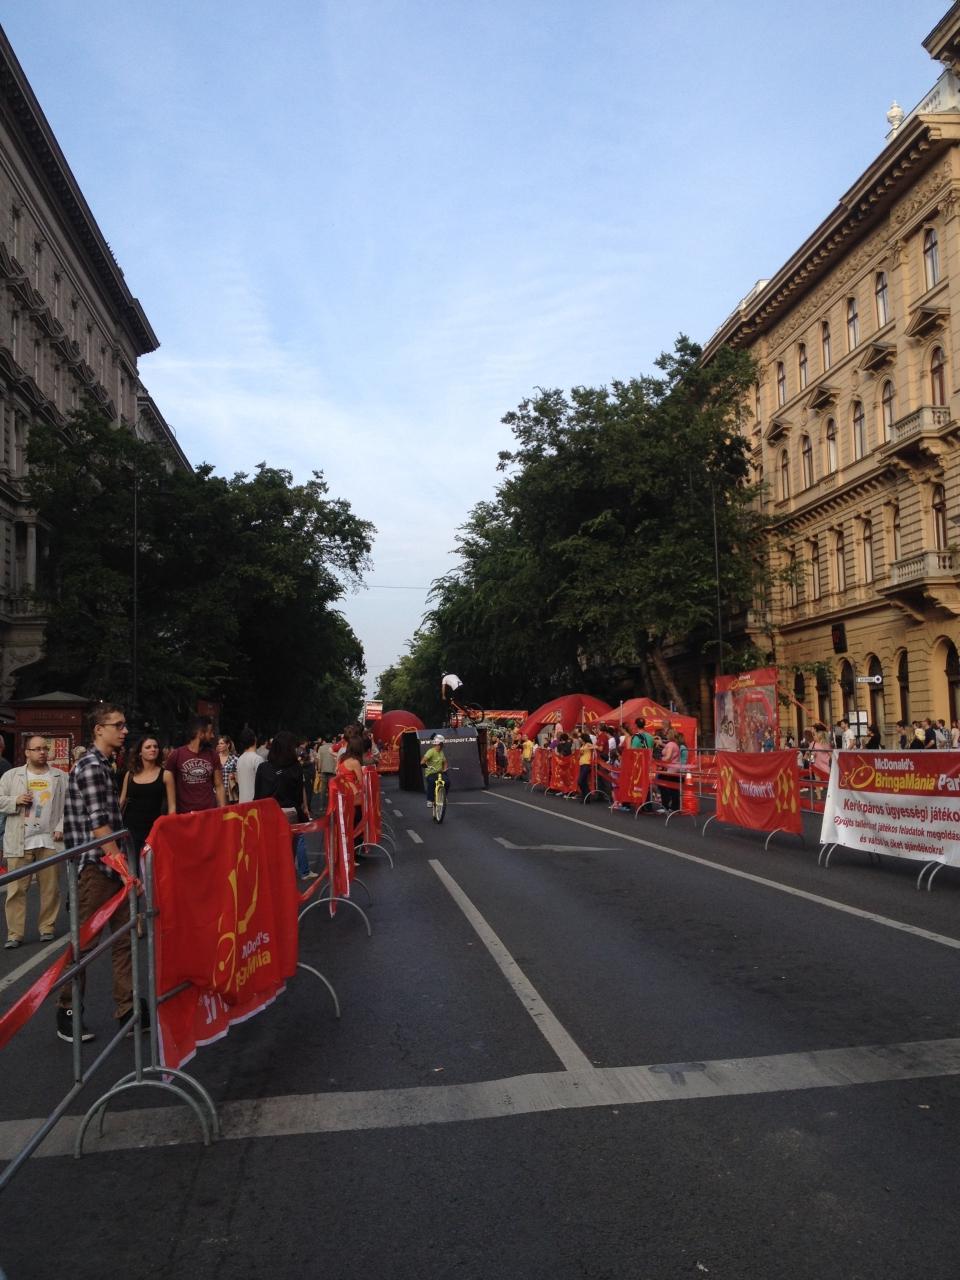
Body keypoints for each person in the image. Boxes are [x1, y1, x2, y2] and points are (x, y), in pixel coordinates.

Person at [55, 703, 135, 1043]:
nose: (125, 730)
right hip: (96, 867)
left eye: (124, 724)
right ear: (99, 729)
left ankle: (128, 1009)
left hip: (109, 866)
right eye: (118, 725)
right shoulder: (90, 767)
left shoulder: (104, 765)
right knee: (84, 946)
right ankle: (67, 1011)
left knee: (124, 940)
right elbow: (100, 826)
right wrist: (125, 870)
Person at [0, 733, 66, 948]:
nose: (42, 752)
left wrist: (61, 827)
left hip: (49, 841)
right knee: (16, 891)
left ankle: (47, 927)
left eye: (45, 748)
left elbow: (69, 805)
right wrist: (15, 800)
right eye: (37, 749)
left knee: (50, 889)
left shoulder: (60, 776)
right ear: (27, 752)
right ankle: (14, 934)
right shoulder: (12, 776)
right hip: (20, 840)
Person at [254, 730, 314, 879]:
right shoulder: (296, 768)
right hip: (289, 815)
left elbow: (258, 795)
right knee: (288, 857)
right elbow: (298, 796)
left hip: (267, 815)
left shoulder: (263, 768)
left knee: (270, 856)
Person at [119, 736, 166, 878]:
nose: (153, 749)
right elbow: (122, 801)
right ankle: (134, 892)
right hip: (131, 828)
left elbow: (172, 807)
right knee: (132, 871)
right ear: (140, 752)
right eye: (148, 747)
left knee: (153, 870)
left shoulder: (166, 775)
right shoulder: (130, 775)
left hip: (154, 829)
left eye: (155, 747)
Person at [164, 715, 224, 814]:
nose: (212, 736)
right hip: (185, 814)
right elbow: (169, 785)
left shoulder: (213, 755)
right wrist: (172, 812)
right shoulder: (176, 755)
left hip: (209, 813)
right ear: (200, 733)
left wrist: (223, 810)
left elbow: (219, 785)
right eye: (210, 732)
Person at [235, 727, 262, 803]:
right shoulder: (257, 759)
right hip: (254, 803)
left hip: (242, 802)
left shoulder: (239, 759)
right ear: (255, 739)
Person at [421, 734, 449, 807]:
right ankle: (429, 800)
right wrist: (425, 765)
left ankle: (443, 797)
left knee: (447, 782)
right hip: (431, 773)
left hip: (439, 773)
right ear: (438, 744)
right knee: (432, 782)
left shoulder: (441, 752)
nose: (443, 745)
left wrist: (445, 769)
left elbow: (445, 762)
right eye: (442, 743)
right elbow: (422, 761)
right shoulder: (431, 751)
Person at [658, 730, 682, 811]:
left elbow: (668, 757)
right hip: (675, 768)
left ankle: (665, 806)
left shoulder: (670, 744)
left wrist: (659, 759)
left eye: (667, 734)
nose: (665, 735)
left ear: (669, 735)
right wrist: (661, 743)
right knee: (674, 788)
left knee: (663, 787)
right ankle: (675, 807)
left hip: (669, 769)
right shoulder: (674, 744)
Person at [217, 735, 239, 803]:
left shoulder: (234, 759)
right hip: (217, 793)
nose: (219, 745)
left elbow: (239, 775)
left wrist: (234, 776)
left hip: (230, 794)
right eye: (218, 743)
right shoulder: (215, 758)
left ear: (228, 745)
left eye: (221, 743)